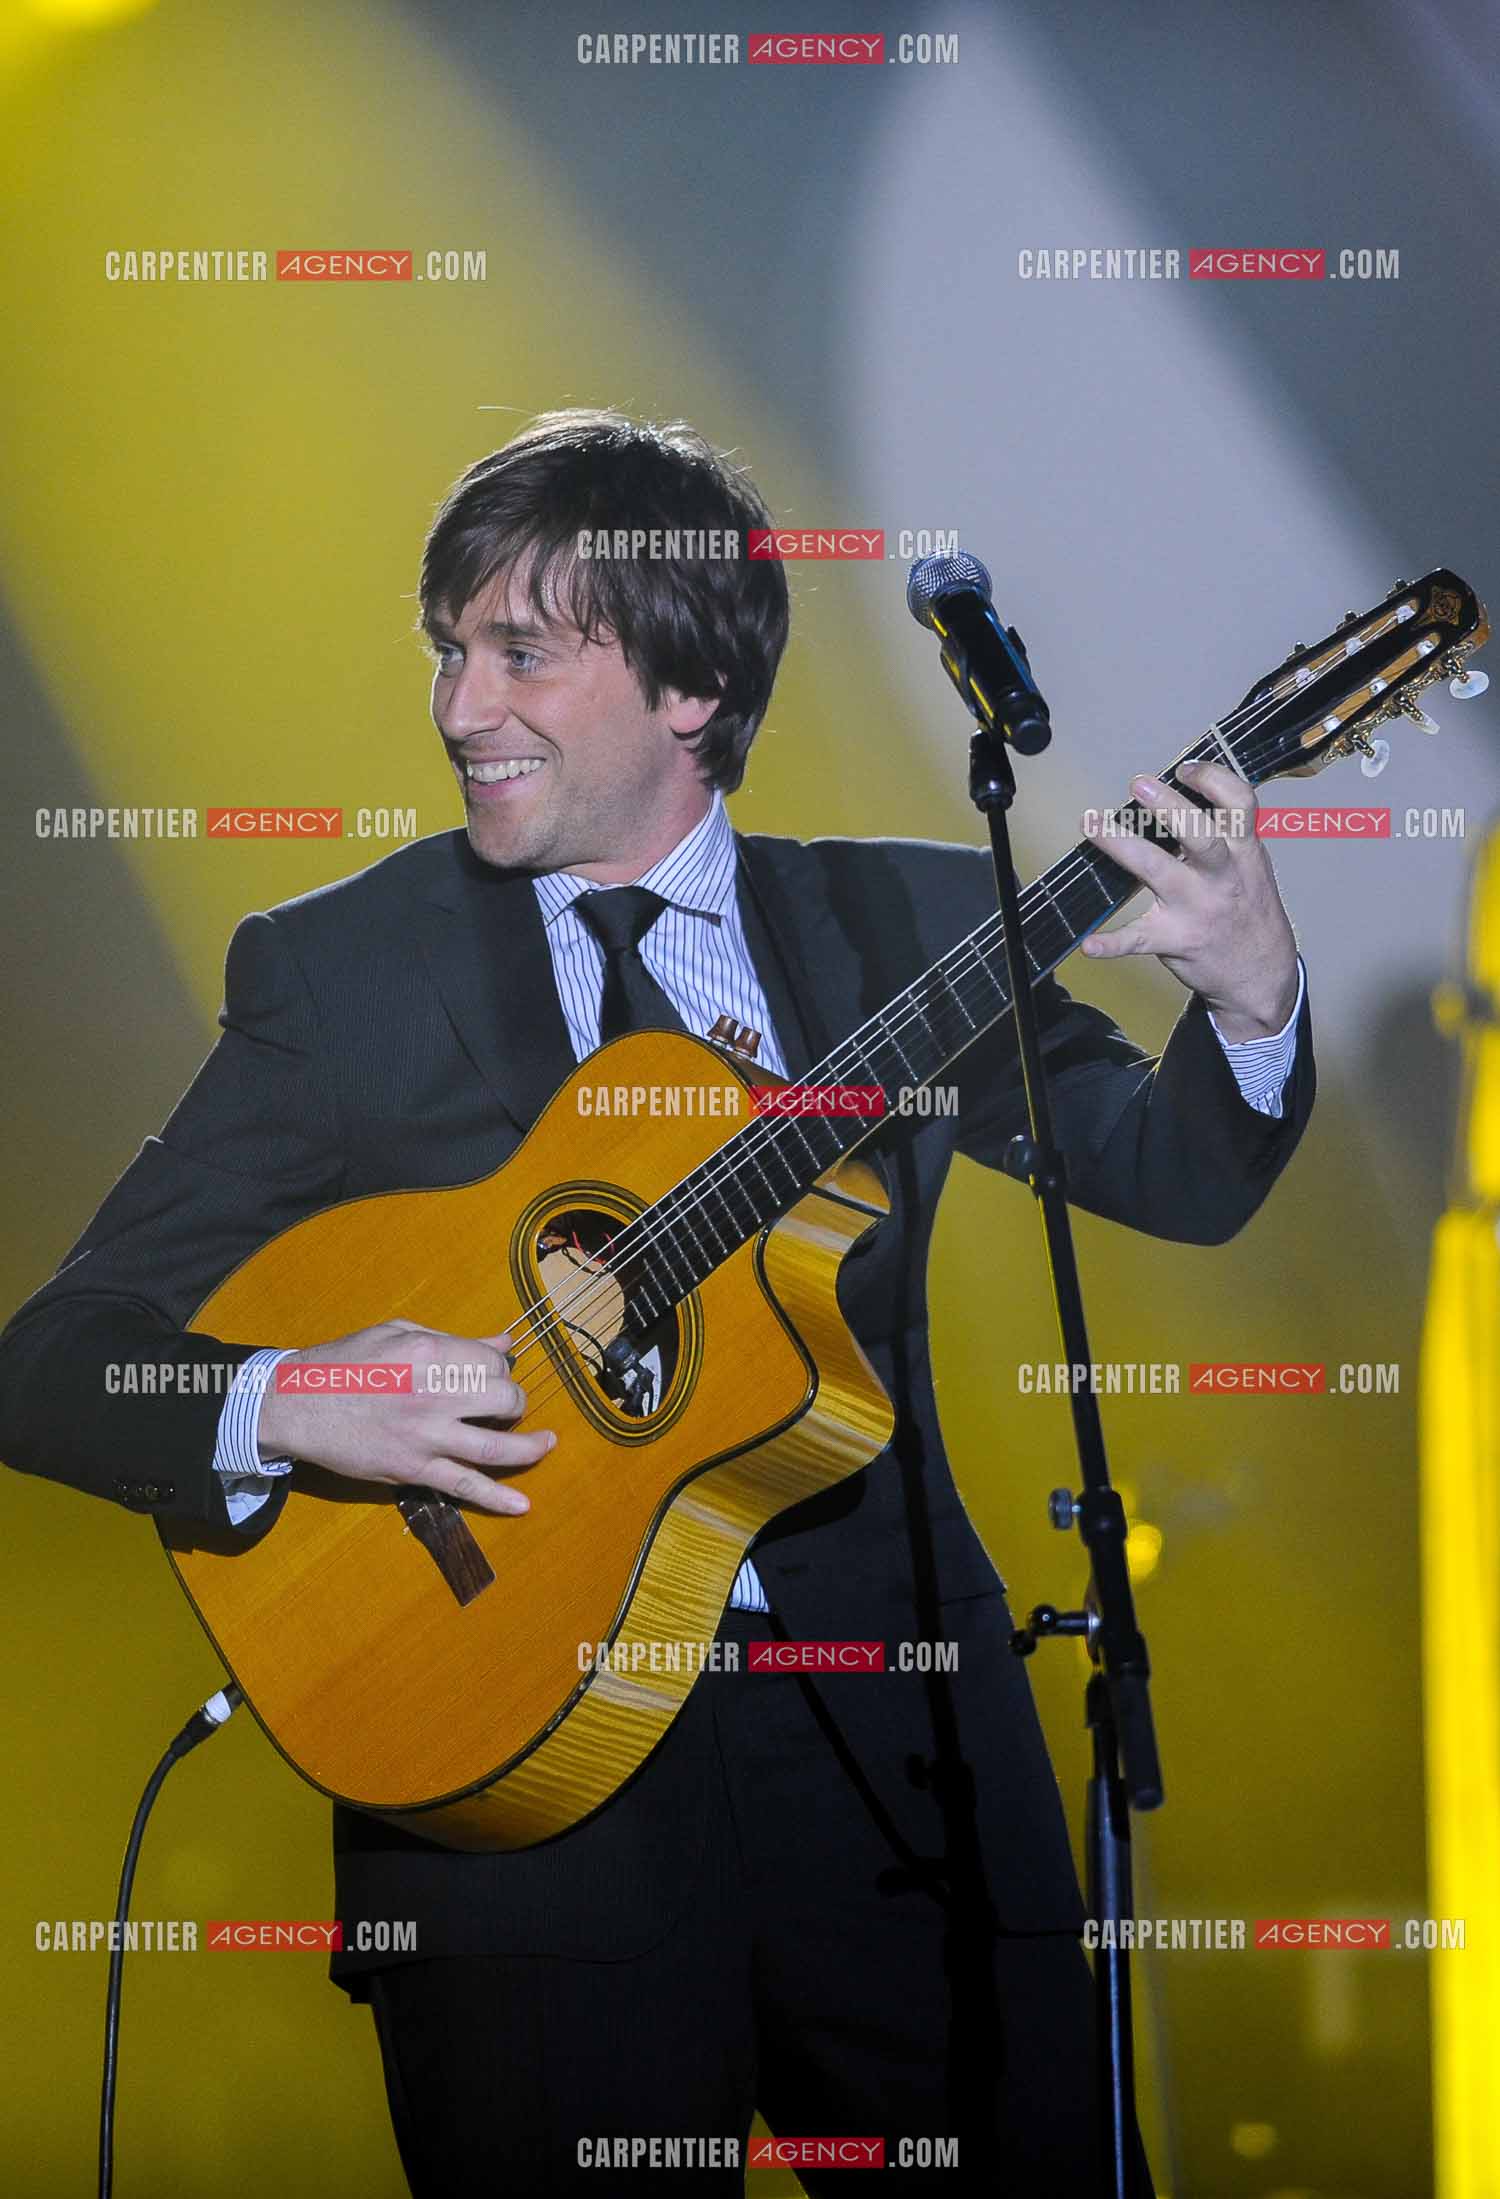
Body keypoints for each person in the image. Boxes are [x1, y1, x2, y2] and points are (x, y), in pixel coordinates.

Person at [0, 409, 1312, 2194]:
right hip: (515, 1812)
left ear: (691, 686)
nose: (463, 708)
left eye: (523, 652)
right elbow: (54, 1367)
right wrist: (287, 1396)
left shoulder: (904, 932)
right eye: (448, 651)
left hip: (901, 1776)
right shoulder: (342, 971)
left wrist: (1250, 995)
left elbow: (1169, 1174)